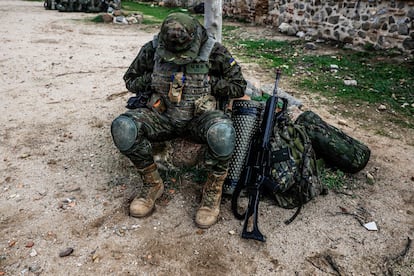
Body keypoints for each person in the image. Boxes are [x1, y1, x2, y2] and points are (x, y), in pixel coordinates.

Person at [110, 12, 247, 229]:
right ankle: (152, 184)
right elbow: (131, 80)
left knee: (223, 133)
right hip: (162, 117)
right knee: (124, 128)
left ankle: (212, 192)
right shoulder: (152, 49)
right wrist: (153, 79)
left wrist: (208, 83)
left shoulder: (214, 51)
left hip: (200, 119)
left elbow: (239, 85)